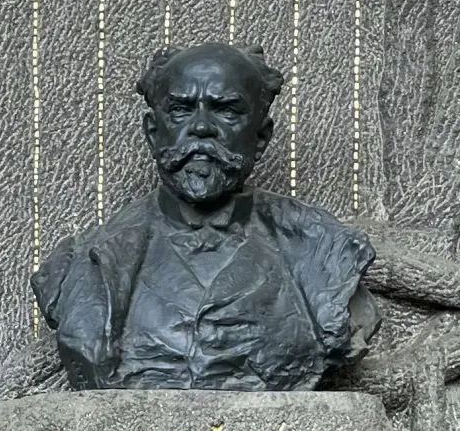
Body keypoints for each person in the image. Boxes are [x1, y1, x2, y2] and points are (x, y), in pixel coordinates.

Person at [31, 41, 380, 391]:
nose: (201, 128)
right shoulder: (83, 262)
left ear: (260, 137)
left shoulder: (325, 251)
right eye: (181, 110)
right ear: (153, 133)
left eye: (225, 110)